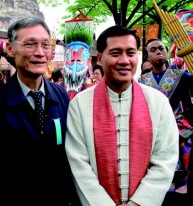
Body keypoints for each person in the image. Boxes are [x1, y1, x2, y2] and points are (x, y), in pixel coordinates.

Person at [65, 26, 179, 206]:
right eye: (116, 53)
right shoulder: (79, 104)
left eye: (131, 53)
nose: (125, 60)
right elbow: (78, 165)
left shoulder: (158, 102)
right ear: (100, 58)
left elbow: (165, 159)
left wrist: (139, 203)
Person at [0, 17, 80, 205]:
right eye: (30, 44)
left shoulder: (61, 96)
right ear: (10, 49)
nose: (40, 53)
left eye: (45, 45)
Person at [138, 38, 193, 205]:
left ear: (167, 52)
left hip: (180, 128)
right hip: (153, 128)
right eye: (153, 50)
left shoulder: (182, 75)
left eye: (161, 48)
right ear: (148, 56)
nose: (158, 52)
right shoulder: (141, 81)